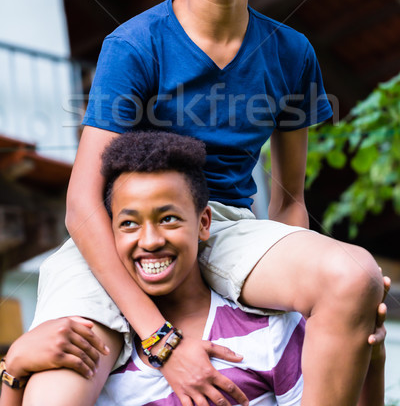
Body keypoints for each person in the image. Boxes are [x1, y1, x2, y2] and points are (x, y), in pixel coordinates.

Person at [27, 0, 385, 406]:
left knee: (354, 276)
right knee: (57, 393)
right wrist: (162, 341)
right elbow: (81, 204)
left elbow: (290, 200)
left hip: (224, 224)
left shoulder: (293, 53)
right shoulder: (135, 46)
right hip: (120, 229)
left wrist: (316, 298)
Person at [0, 132, 387, 406]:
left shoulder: (270, 330)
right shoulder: (97, 352)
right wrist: (14, 369)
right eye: (129, 224)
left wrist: (373, 361)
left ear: (204, 223)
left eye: (168, 219)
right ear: (109, 233)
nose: (149, 240)